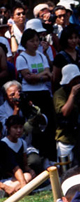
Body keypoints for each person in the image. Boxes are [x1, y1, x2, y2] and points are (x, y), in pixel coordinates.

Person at [16, 28, 57, 162]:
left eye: (36, 40)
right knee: (35, 126)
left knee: (49, 124)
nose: (35, 43)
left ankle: (50, 157)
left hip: (44, 93)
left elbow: (49, 74)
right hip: (31, 94)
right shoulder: (22, 58)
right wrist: (41, 76)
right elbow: (28, 78)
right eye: (31, 41)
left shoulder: (41, 55)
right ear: (25, 42)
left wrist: (37, 76)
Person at [54, 64, 80, 164]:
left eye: (78, 79)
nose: (77, 82)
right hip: (66, 137)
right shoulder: (59, 94)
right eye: (74, 79)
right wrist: (72, 94)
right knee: (66, 167)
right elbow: (65, 112)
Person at [0, 115, 36, 195]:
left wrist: (30, 171)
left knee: (27, 176)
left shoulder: (21, 143)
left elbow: (17, 167)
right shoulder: (5, 142)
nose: (19, 130)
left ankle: (10, 191)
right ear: (8, 129)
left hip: (13, 179)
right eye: (15, 128)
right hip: (4, 179)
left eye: (20, 127)